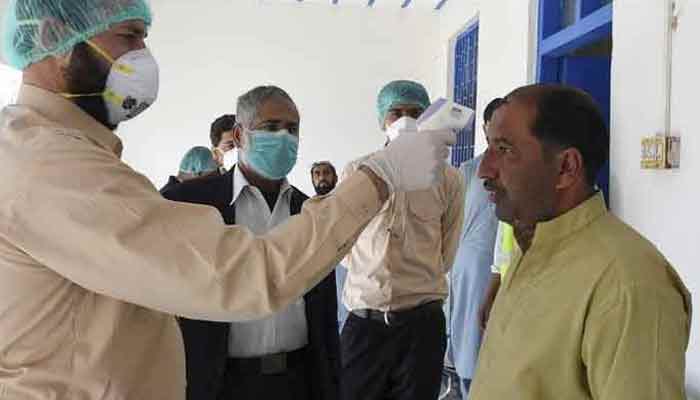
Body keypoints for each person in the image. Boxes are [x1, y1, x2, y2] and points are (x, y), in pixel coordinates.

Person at [0, 1, 456, 398]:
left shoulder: (66, 154)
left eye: (144, 37)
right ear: (54, 36)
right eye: (129, 35)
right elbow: (245, 274)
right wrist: (381, 175)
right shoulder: (46, 164)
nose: (142, 55)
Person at [468, 84, 691, 400]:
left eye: (504, 149)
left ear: (566, 168)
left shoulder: (628, 284)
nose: (483, 170)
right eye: (489, 147)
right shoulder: (532, 243)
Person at [162, 86, 339, 400]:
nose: (283, 137)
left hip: (298, 380)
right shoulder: (192, 203)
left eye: (292, 129)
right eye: (271, 127)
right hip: (219, 382)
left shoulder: (309, 212)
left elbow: (324, 316)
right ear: (239, 135)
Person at [339, 80, 466, 400]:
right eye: (396, 112)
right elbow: (342, 246)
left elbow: (446, 252)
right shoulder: (357, 172)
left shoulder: (449, 179)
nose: (406, 120)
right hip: (365, 324)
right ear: (382, 119)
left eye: (415, 112)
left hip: (421, 326)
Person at [442, 98, 503, 399]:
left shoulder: (523, 170)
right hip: (466, 269)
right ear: (485, 128)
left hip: (499, 268)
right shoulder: (468, 170)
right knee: (467, 338)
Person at [311, 161, 349, 332]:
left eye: (326, 173)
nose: (322, 177)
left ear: (335, 177)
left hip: (343, 264)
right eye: (317, 174)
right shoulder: (307, 208)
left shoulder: (346, 203)